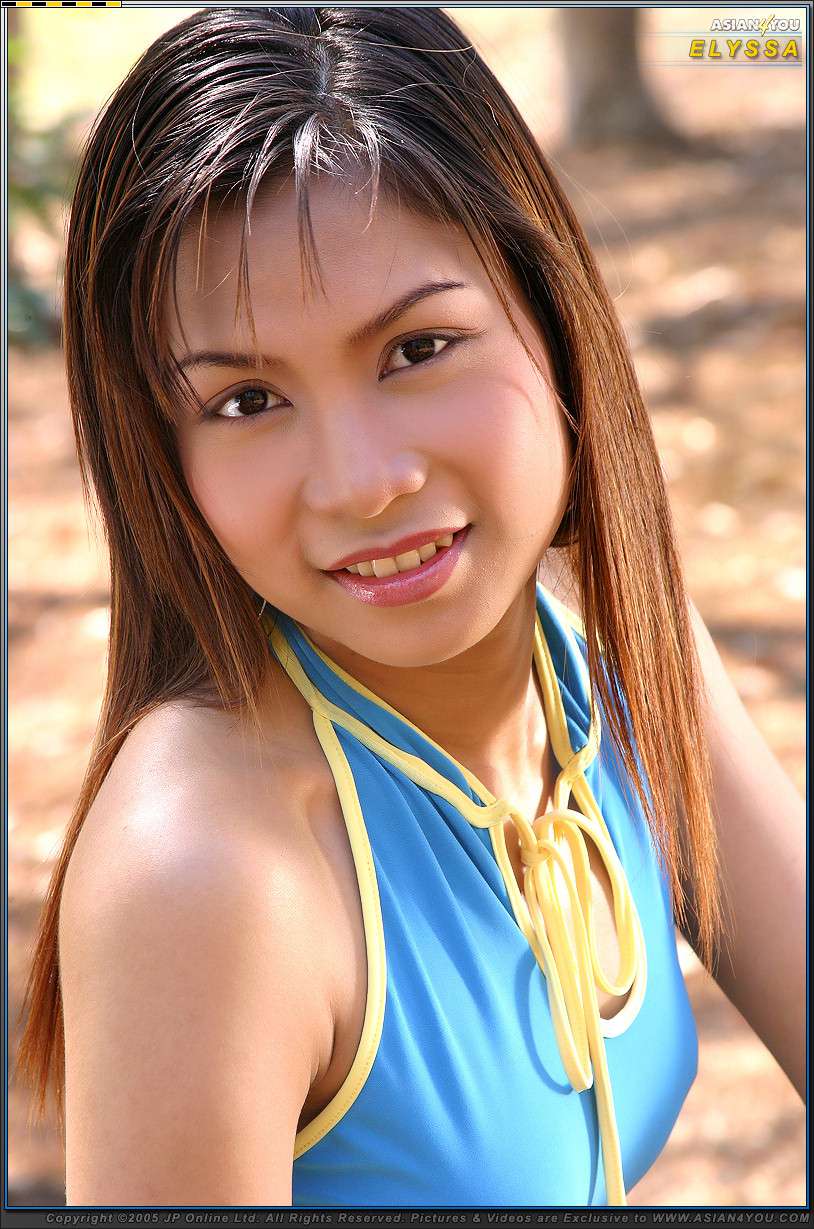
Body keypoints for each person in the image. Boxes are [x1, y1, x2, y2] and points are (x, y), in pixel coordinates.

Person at [15, 6, 804, 1210]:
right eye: (245, 402)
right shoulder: (209, 878)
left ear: (552, 316)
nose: (359, 483)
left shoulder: (611, 642)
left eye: (418, 348)